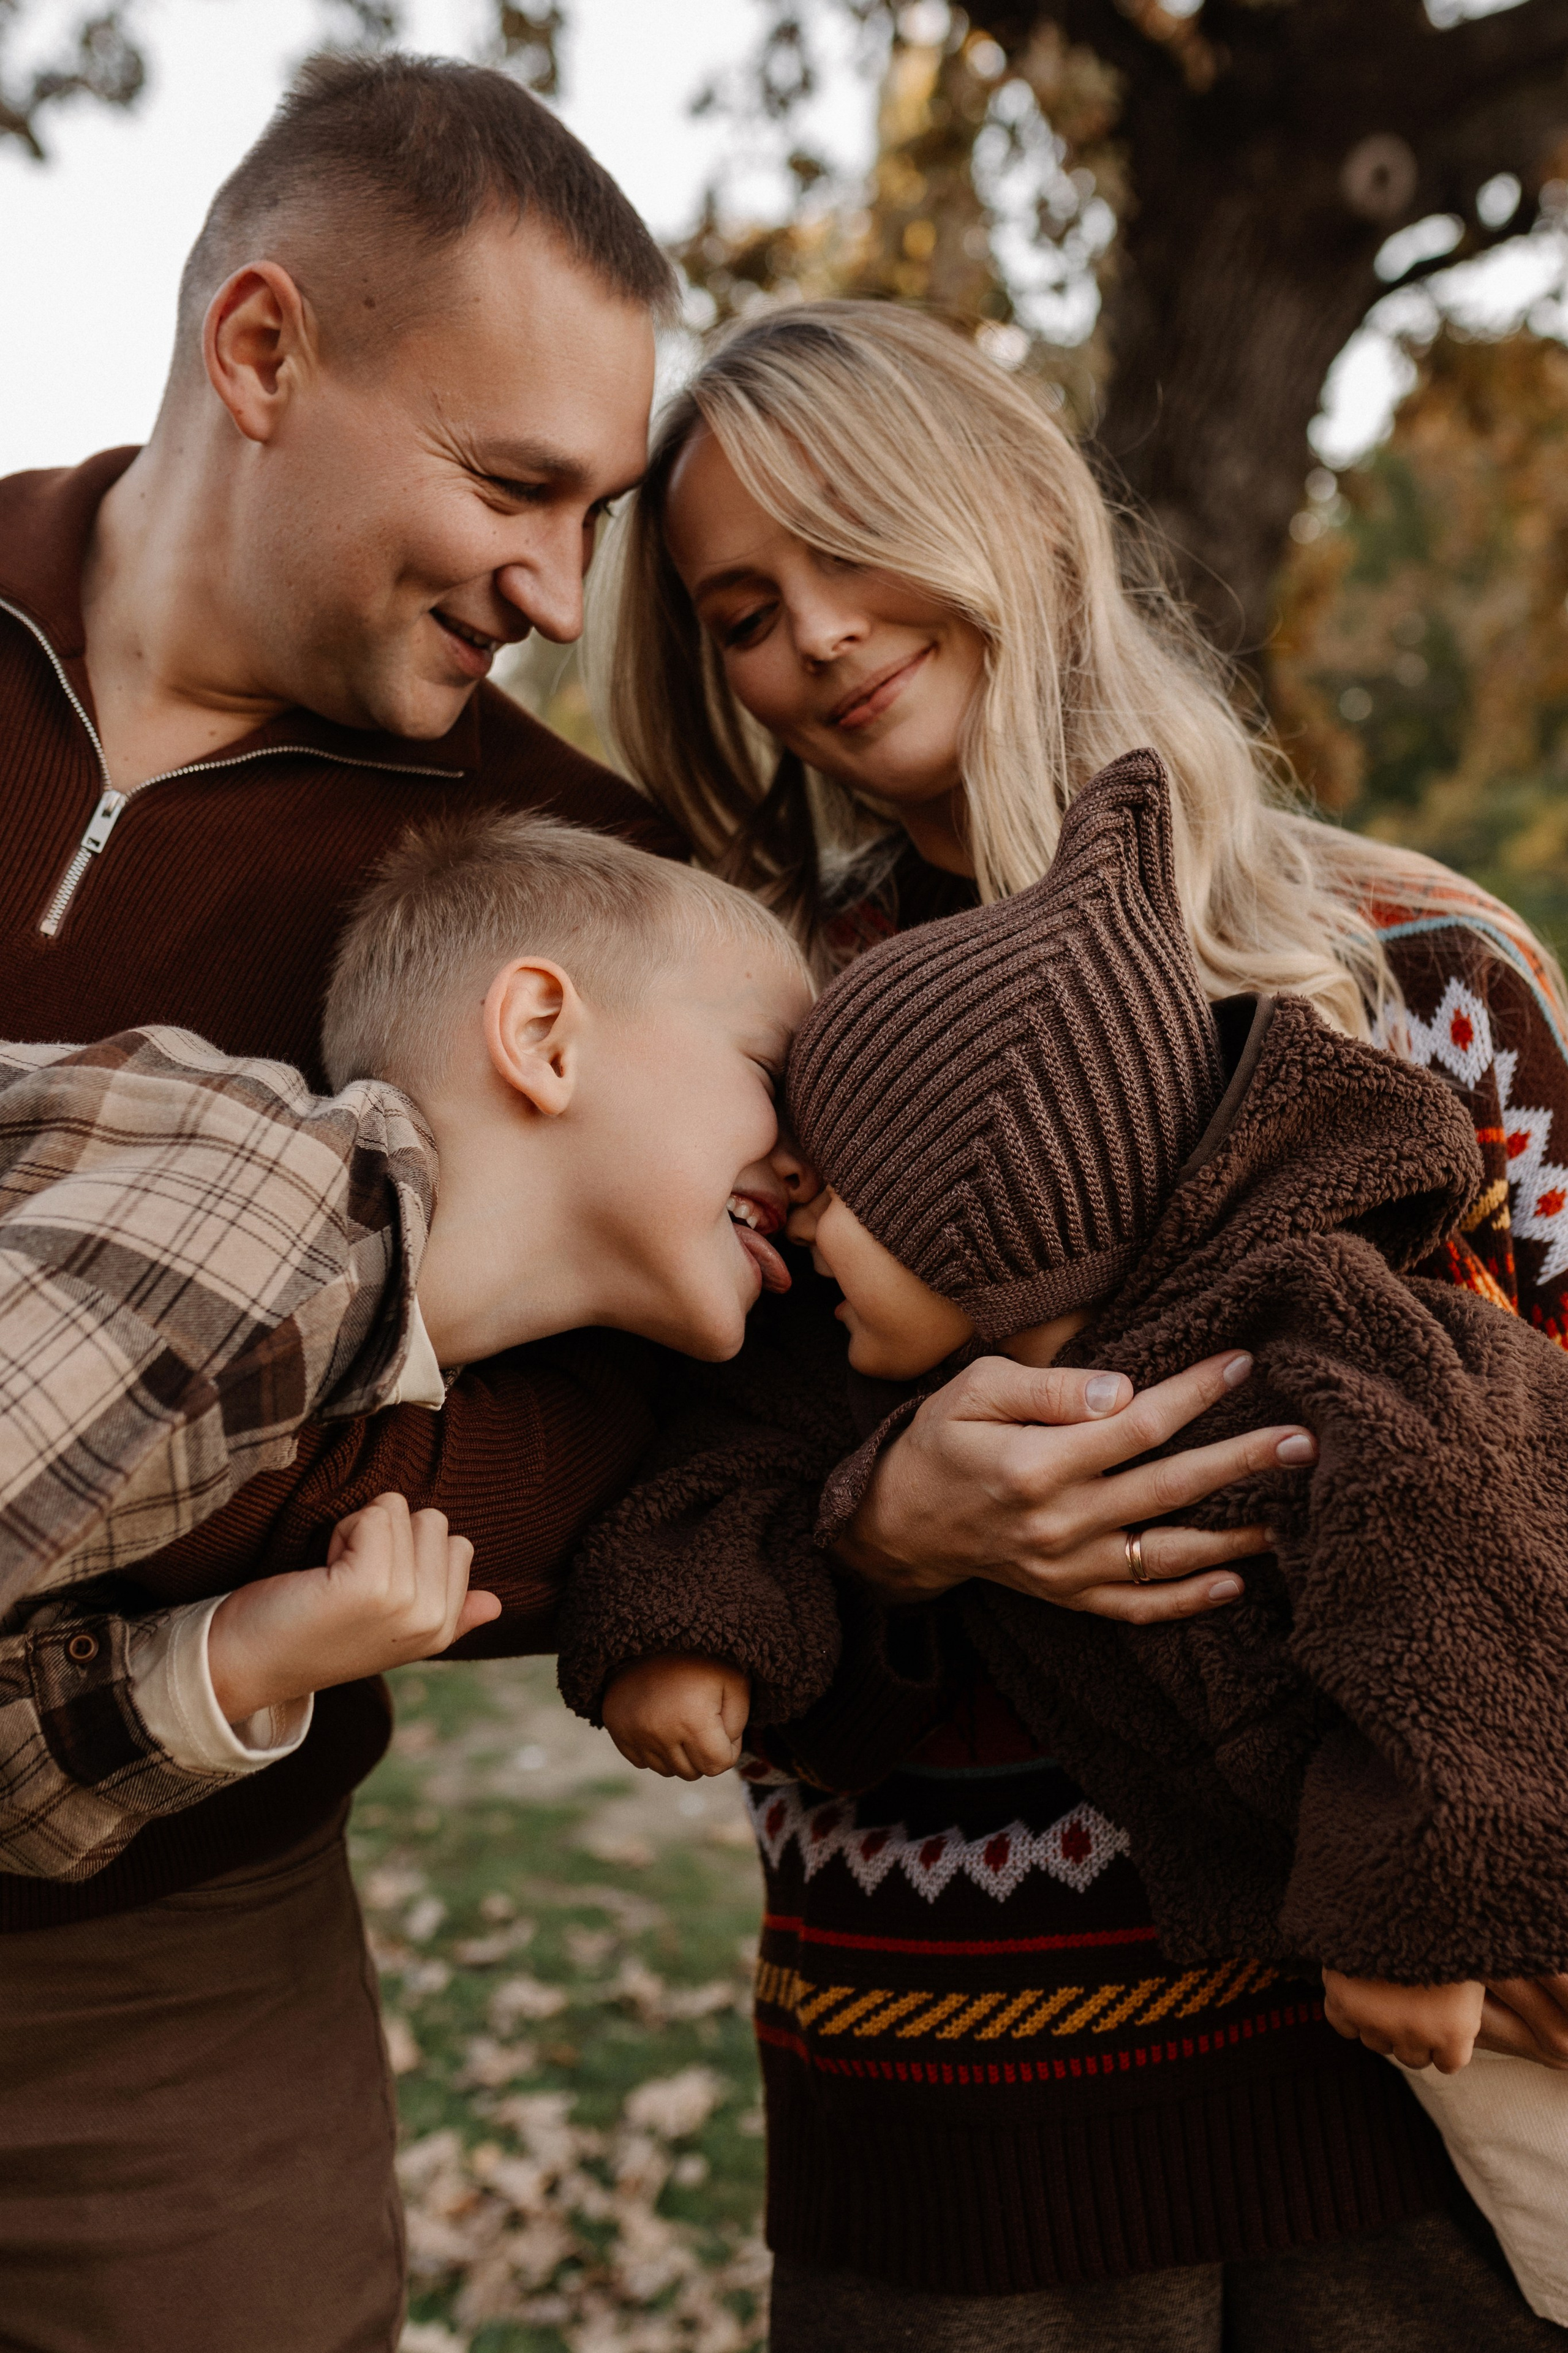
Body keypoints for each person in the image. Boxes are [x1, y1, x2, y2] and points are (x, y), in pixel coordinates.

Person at [557, 299, 1568, 2348]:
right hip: (959, 2105)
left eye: (852, 543)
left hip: (1404, 2078)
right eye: (744, 611)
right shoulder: (753, 1039)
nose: (814, 635)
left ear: (1016, 507)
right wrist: (885, 1530)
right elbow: (644, 1501)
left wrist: (1501, 1857)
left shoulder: (1420, 978)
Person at [0, 815, 811, 1884]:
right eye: (772, 1074)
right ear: (542, 1035)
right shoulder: (277, 1188)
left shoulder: (354, 1348)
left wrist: (236, 1660)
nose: (810, 1166)